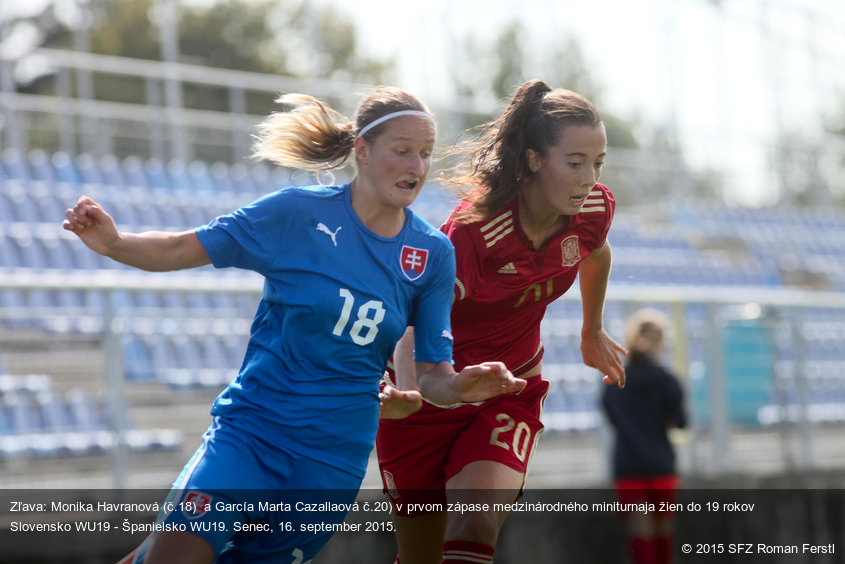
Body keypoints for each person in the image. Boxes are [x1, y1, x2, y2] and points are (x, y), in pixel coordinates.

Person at [63, 87, 527, 564]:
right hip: (252, 434)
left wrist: (457, 386)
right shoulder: (297, 214)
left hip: (332, 462)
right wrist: (116, 243)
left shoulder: (432, 254)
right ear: (362, 151)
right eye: (403, 151)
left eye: (425, 154)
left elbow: (431, 374)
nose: (417, 167)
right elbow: (183, 247)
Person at [375, 79, 627, 564]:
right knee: (420, 556)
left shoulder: (593, 209)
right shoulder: (472, 234)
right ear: (534, 160)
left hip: (506, 391)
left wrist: (590, 328)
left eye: (598, 163)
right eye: (575, 163)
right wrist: (410, 389)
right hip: (425, 399)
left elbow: (596, 251)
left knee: (476, 523)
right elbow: (411, 320)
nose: (589, 179)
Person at [601, 308, 687, 564]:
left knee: (640, 531)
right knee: (663, 530)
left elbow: (613, 419)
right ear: (661, 341)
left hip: (627, 464)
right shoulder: (668, 380)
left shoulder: (615, 379)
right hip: (661, 464)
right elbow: (681, 423)